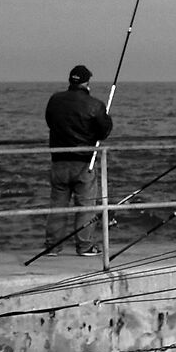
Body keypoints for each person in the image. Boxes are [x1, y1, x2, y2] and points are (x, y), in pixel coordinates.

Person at [43, 64, 114, 256]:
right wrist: (105, 117)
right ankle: (84, 246)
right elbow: (104, 131)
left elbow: (50, 121)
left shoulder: (55, 100)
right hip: (84, 162)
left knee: (57, 206)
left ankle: (52, 246)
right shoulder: (95, 105)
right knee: (85, 207)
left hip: (58, 160)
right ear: (86, 82)